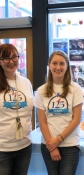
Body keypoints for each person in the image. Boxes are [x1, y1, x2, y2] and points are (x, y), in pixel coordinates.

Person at [34, 50, 84, 175]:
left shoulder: (76, 89)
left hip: (70, 146)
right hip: (48, 145)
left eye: (62, 64)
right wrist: (52, 146)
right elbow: (42, 122)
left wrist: (58, 140)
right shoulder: (41, 91)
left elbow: (76, 119)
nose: (58, 67)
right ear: (49, 66)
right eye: (54, 63)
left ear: (67, 67)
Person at [0, 44, 33, 175]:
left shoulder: (26, 82)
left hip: (24, 146)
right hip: (2, 148)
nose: (12, 61)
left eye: (15, 56)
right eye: (6, 58)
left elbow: (29, 111)